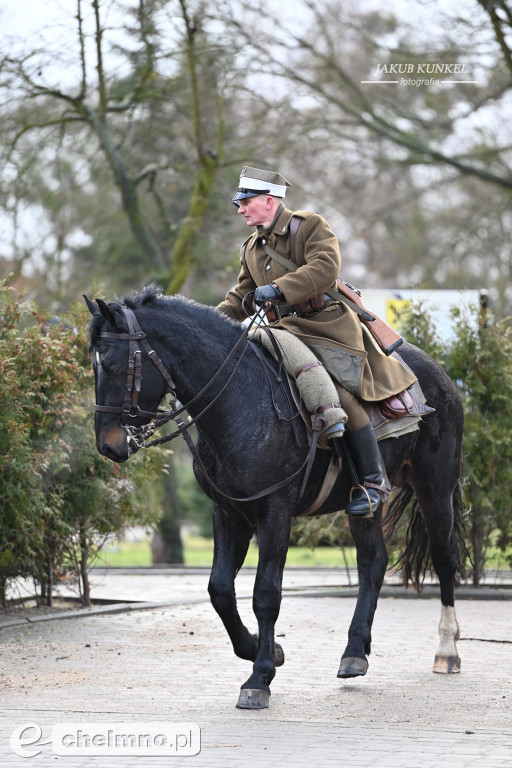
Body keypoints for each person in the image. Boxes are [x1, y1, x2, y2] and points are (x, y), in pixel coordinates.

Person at [218, 165, 417, 517]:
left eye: (245, 201)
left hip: (326, 326)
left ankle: (373, 482)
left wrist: (279, 289)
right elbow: (241, 296)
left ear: (269, 200)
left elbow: (325, 267)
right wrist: (207, 323)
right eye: (240, 203)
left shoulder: (308, 225)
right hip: (283, 332)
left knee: (339, 391)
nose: (240, 209)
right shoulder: (251, 246)